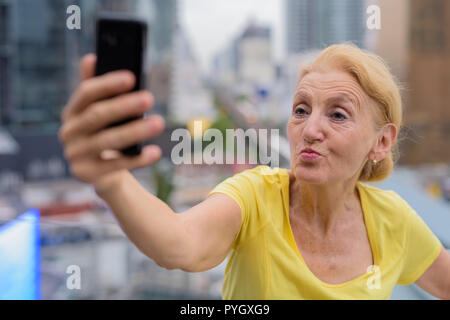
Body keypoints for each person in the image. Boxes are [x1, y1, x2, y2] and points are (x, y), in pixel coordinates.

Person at [58, 43, 450, 299]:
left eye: (338, 114)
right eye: (301, 110)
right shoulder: (256, 195)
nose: (310, 130)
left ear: (381, 142)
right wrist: (111, 181)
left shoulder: (392, 220)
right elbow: (178, 243)